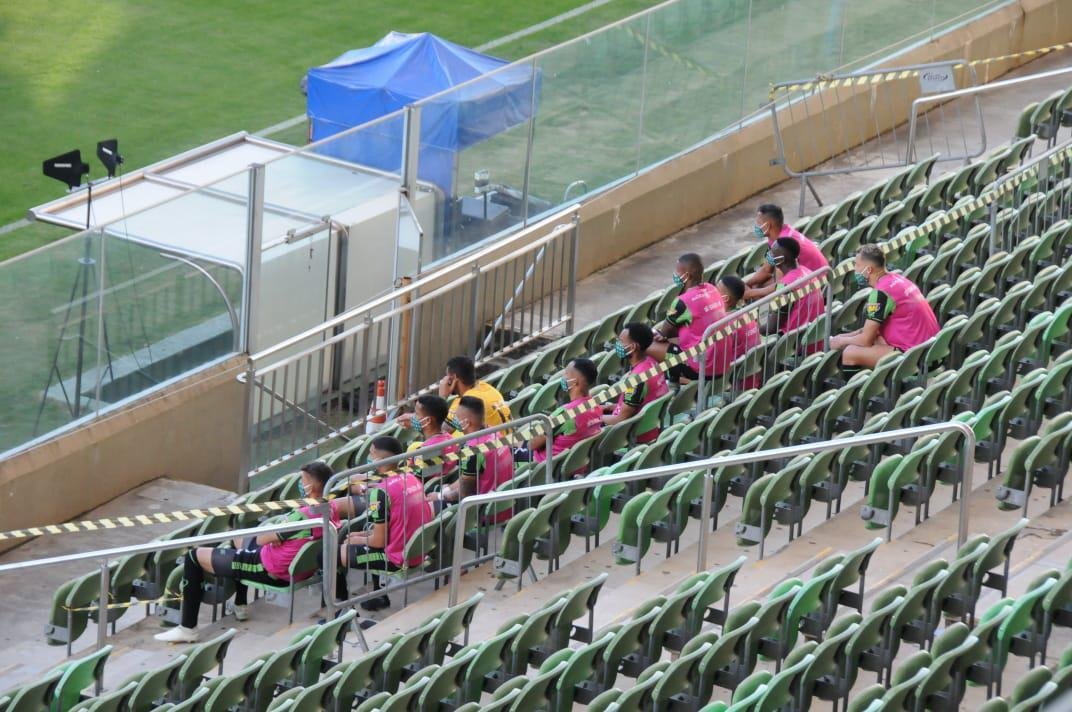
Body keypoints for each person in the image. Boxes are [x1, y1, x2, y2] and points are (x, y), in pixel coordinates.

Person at [155, 461, 343, 642]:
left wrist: (277, 530)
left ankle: (187, 628)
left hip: (268, 569)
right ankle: (240, 604)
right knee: (237, 538)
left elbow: (262, 539)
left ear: (313, 486)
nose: (300, 484)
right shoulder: (331, 508)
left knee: (193, 557)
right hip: (299, 567)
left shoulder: (301, 517)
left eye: (303, 480)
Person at [339, 435, 434, 611]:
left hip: (398, 559)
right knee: (367, 530)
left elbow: (378, 542)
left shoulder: (381, 492)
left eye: (371, 453)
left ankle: (340, 612)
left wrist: (357, 539)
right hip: (417, 550)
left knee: (330, 555)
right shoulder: (410, 477)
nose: (369, 457)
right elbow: (394, 526)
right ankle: (379, 595)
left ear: (380, 458)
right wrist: (363, 534)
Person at [830, 244, 940, 371]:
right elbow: (871, 331)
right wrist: (843, 337)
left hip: (916, 358)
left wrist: (841, 342)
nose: (855, 269)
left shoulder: (880, 293)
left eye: (857, 265)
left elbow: (865, 340)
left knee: (850, 352)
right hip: (932, 351)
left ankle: (853, 384)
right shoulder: (899, 279)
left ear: (868, 270)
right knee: (877, 339)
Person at [648, 253, 728, 384]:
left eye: (677, 272)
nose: (675, 275)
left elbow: (664, 333)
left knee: (646, 345)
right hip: (721, 362)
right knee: (674, 340)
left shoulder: (682, 302)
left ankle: (663, 385)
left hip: (701, 367)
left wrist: (661, 334)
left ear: (687, 276)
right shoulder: (713, 289)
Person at [430, 396, 514, 522]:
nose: (453, 420)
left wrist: (438, 496)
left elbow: (463, 493)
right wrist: (447, 489)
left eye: (456, 418)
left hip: (483, 512)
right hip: (505, 506)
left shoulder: (472, 450)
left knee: (426, 509)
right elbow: (471, 477)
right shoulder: (495, 433)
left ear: (466, 423)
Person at [528, 359, 603, 477]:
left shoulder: (566, 414)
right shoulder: (596, 407)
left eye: (566, 374)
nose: (563, 377)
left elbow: (532, 444)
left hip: (545, 468)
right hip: (575, 466)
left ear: (575, 382)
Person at [744, 204, 829, 300]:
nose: (756, 227)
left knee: (760, 293)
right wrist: (746, 285)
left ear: (767, 225)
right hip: (810, 275)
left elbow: (780, 286)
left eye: (758, 223)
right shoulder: (779, 235)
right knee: (757, 287)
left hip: (817, 284)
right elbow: (766, 270)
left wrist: (752, 292)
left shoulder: (782, 246)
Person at [601, 323, 669, 443]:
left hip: (630, 436)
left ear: (633, 347)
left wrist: (594, 418)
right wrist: (610, 407)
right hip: (648, 428)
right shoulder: (652, 363)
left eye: (621, 341)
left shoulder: (636, 380)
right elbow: (638, 404)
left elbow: (620, 420)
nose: (618, 344)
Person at [765, 237, 826, 342]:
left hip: (793, 344)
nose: (769, 255)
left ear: (781, 259)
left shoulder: (784, 286)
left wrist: (756, 325)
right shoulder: (809, 273)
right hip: (814, 338)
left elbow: (771, 328)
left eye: (772, 252)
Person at [714, 275, 763, 385]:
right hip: (751, 380)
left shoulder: (723, 324)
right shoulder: (748, 315)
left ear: (725, 298)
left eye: (716, 290)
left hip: (731, 383)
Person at [396, 395, 456, 481]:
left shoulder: (425, 452)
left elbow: (417, 481)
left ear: (428, 420)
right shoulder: (450, 439)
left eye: (416, 414)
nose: (412, 417)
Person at [439, 356, 510, 429]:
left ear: (454, 377)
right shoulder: (485, 386)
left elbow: (439, 431)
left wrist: (442, 398)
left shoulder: (464, 403)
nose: (445, 380)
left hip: (495, 436)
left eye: (447, 376)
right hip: (509, 435)